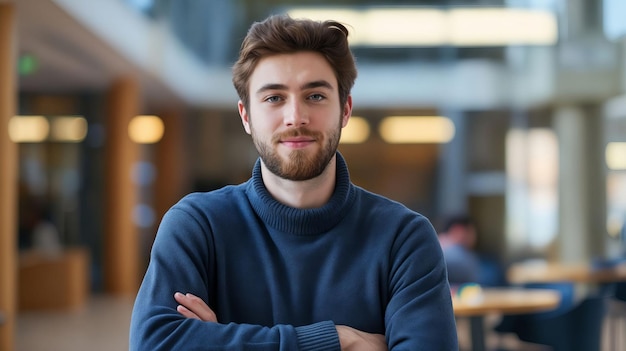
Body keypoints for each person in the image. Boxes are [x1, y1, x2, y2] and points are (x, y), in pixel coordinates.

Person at [129, 14, 457, 351]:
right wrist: (335, 340)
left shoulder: (403, 238)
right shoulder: (197, 225)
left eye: (315, 96)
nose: (295, 116)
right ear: (246, 116)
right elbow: (155, 344)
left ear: (345, 110)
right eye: (274, 98)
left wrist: (222, 340)